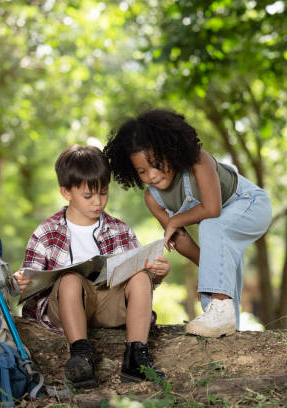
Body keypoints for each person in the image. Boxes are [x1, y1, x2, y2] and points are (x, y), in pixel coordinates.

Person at [104, 109, 272, 338]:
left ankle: (220, 312)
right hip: (222, 225)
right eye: (142, 171)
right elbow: (179, 238)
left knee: (211, 226)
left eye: (156, 164)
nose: (151, 175)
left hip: (251, 205)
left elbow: (212, 209)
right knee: (218, 273)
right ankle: (224, 323)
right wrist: (213, 265)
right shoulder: (153, 198)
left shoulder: (198, 161)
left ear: (171, 151)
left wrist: (176, 219)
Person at [13, 144, 170, 388]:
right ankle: (80, 357)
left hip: (109, 303)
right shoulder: (46, 232)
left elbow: (139, 278)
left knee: (139, 277)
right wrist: (21, 281)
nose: (98, 202)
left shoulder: (120, 229)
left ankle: (136, 358)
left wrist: (156, 273)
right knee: (70, 280)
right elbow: (28, 282)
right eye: (88, 196)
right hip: (67, 305)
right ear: (66, 192)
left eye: (103, 193)